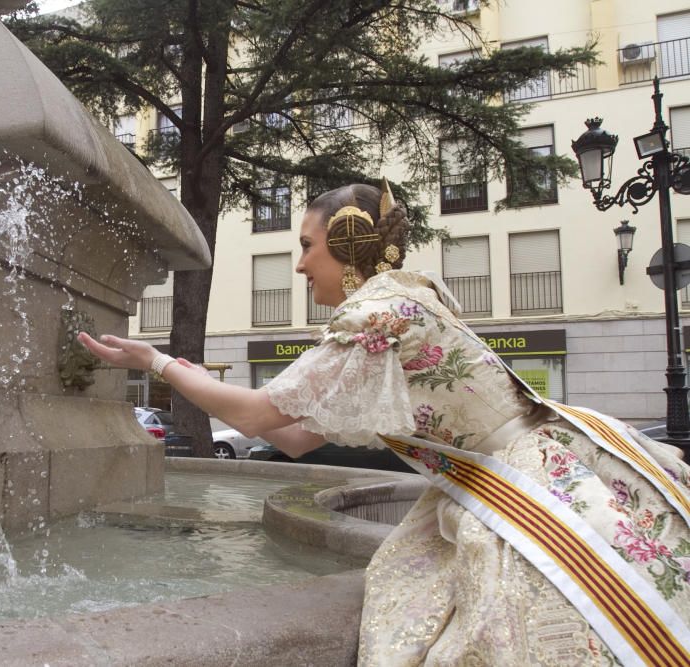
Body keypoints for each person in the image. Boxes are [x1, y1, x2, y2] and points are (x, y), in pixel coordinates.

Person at [79, 182, 690, 666]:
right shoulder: (408, 298)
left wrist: (156, 362)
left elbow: (260, 414)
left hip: (523, 481)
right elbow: (292, 437)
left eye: (306, 246)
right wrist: (194, 378)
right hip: (529, 460)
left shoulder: (376, 316)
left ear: (345, 246)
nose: (299, 266)